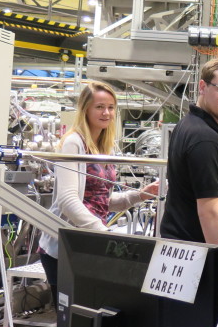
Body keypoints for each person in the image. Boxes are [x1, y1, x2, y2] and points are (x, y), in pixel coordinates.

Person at [38, 80, 159, 306]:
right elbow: (67, 201)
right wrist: (103, 233)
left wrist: (140, 195)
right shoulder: (74, 143)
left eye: (111, 107)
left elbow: (101, 200)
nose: (106, 113)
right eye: (99, 107)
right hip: (65, 246)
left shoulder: (104, 145)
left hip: (90, 244)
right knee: (71, 321)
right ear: (85, 109)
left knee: (91, 316)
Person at [160, 58, 218, 248]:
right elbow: (210, 212)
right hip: (198, 254)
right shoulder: (205, 138)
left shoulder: (188, 124)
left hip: (180, 247)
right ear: (202, 87)